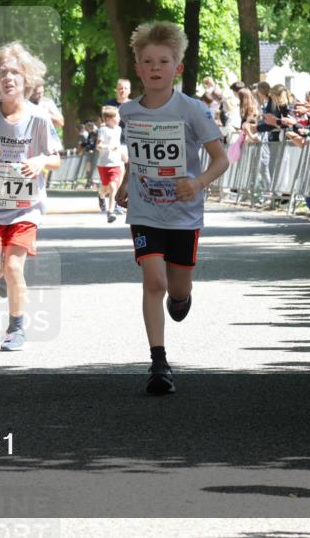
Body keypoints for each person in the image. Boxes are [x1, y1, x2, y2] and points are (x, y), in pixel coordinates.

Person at [114, 21, 229, 396]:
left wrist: (196, 183)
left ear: (177, 68)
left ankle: (182, 297)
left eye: (163, 61)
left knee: (176, 289)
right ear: (138, 68)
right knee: (154, 282)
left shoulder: (192, 110)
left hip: (184, 214)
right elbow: (136, 156)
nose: (155, 68)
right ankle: (158, 361)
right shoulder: (129, 112)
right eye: (147, 61)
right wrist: (125, 182)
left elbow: (221, 159)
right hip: (146, 210)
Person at [0, 42, 62, 351]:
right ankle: (1, 277)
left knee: (14, 266)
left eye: (15, 72)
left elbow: (56, 157)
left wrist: (40, 161)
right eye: (2, 72)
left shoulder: (39, 117)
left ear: (26, 79)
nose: (8, 78)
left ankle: (16, 327)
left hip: (26, 209)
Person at [96, 105, 125, 221]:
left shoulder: (119, 129)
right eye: (117, 117)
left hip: (116, 164)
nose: (119, 119)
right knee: (105, 188)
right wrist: (108, 147)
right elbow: (98, 146)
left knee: (113, 187)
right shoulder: (103, 130)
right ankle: (101, 196)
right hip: (104, 164)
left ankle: (110, 211)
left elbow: (118, 144)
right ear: (108, 119)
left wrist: (123, 155)